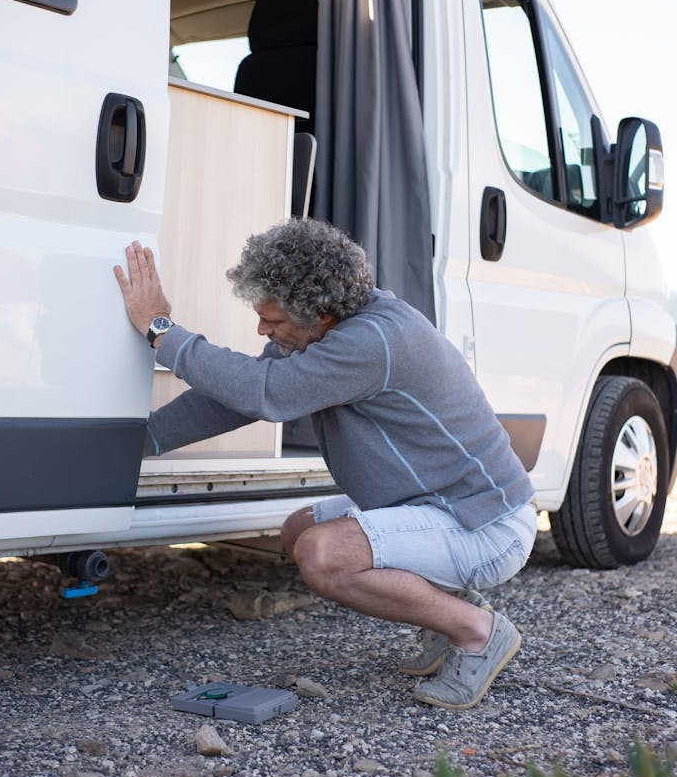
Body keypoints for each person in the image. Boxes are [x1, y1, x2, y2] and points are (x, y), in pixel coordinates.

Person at [114, 218, 537, 710]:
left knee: (324, 555)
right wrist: (144, 440)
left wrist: (162, 331)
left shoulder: (374, 342)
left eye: (272, 321)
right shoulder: (330, 331)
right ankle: (448, 617)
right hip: (436, 507)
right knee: (299, 532)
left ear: (320, 313)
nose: (262, 329)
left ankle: (476, 632)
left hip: (484, 525)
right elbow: (239, 399)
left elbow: (265, 392)